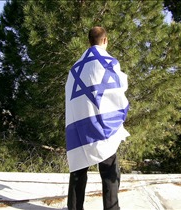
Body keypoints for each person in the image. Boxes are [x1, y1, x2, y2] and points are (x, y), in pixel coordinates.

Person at [65, 26, 130, 210]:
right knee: (109, 170)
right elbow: (119, 89)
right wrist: (121, 112)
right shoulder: (109, 63)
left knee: (78, 169)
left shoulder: (75, 69)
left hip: (79, 125)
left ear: (89, 41)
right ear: (105, 40)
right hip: (102, 125)